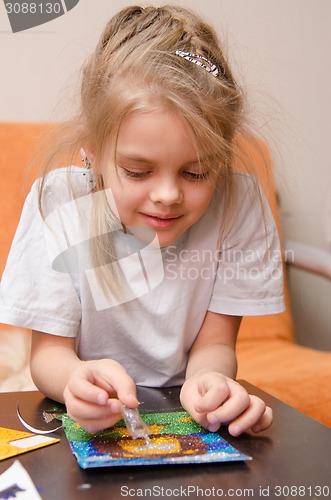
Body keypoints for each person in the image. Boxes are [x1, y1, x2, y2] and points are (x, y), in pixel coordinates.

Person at [0, 5, 284, 437]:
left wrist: (209, 383)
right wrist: (76, 379)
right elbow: (48, 356)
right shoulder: (59, 200)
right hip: (80, 421)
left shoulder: (238, 201)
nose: (168, 195)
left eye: (196, 173)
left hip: (179, 416)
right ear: (92, 151)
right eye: (137, 171)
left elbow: (215, 345)